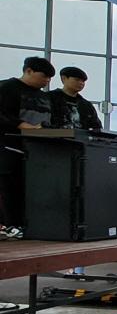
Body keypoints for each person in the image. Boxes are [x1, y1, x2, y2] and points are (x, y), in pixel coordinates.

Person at [0, 55, 57, 236]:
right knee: (9, 188)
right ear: (29, 71)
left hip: (38, 150)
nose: (46, 81)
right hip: (10, 146)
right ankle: (9, 225)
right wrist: (26, 127)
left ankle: (28, 224)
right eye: (43, 76)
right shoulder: (7, 88)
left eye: (49, 78)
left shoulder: (44, 96)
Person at [48, 66, 101, 131]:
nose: (81, 83)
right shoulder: (49, 98)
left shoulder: (86, 105)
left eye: (83, 81)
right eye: (77, 80)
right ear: (64, 78)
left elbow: (96, 127)